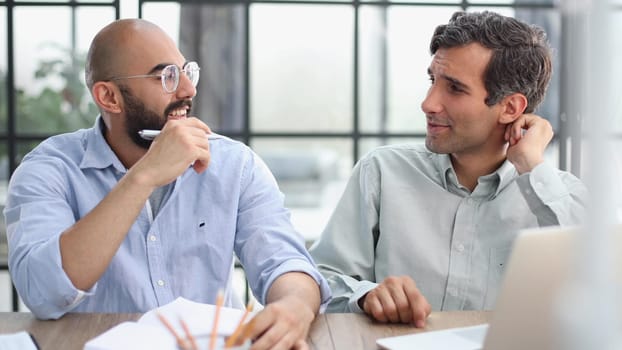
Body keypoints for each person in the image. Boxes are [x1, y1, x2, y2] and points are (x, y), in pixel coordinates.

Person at [4, 18, 330, 350]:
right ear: (109, 97)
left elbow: (286, 262)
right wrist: (144, 176)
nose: (188, 90)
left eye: (187, 72)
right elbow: (44, 292)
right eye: (166, 77)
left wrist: (295, 306)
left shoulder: (236, 164)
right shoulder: (48, 169)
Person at [309, 10, 587, 328]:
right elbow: (319, 279)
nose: (428, 103)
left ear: (510, 108)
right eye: (433, 81)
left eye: (454, 88)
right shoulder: (382, 172)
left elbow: (598, 286)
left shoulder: (561, 196)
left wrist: (531, 164)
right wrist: (365, 295)